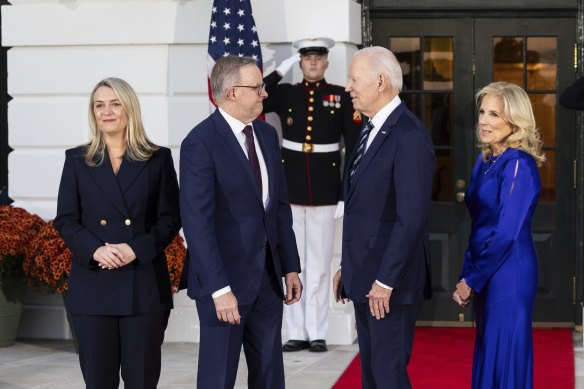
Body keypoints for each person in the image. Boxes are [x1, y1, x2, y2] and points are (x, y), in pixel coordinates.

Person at [180, 55, 302, 388]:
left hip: (267, 280)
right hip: (225, 285)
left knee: (269, 376)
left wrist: (290, 266)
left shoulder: (265, 134)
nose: (265, 93)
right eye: (258, 87)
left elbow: (278, 208)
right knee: (219, 378)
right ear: (232, 92)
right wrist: (220, 290)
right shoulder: (200, 142)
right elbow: (197, 223)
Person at [54, 77, 181, 389]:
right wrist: (96, 250)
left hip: (143, 287)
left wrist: (135, 248)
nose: (106, 111)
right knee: (99, 382)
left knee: (141, 381)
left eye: (114, 103)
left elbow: (169, 218)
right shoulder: (77, 159)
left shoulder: (157, 158)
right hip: (93, 287)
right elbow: (66, 220)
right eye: (99, 105)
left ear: (129, 109)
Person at [332, 47, 434, 388]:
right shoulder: (369, 128)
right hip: (365, 276)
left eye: (353, 79)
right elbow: (365, 208)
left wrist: (385, 281)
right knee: (372, 375)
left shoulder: (409, 135)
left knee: (388, 375)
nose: (347, 86)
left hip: (390, 284)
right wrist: (349, 266)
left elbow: (411, 217)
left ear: (380, 81)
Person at [263, 37, 361, 352]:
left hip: (325, 190)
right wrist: (281, 70)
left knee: (318, 264)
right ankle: (295, 332)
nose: (313, 63)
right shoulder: (287, 93)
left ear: (327, 62)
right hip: (289, 187)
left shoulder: (340, 96)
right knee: (292, 261)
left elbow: (354, 146)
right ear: (301, 62)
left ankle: (317, 331)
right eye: (306, 59)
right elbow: (259, 96)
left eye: (318, 58)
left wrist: (345, 193)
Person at [453, 81, 545, 388]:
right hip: (486, 268)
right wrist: (468, 274)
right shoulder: (485, 159)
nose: (483, 120)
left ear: (514, 121)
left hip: (510, 272)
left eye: (494, 114)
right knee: (489, 348)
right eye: (482, 112)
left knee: (503, 352)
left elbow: (506, 234)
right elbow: (479, 224)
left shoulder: (518, 163)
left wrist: (472, 280)